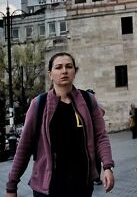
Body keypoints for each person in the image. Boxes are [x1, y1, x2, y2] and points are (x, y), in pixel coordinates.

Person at [6, 52, 115, 197]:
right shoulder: (39, 104)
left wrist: (107, 166)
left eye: (69, 66)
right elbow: (24, 146)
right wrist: (11, 186)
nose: (64, 71)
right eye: (58, 67)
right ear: (50, 74)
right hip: (48, 187)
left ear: (74, 72)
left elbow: (100, 136)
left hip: (81, 185)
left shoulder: (88, 101)